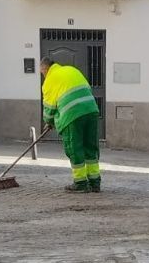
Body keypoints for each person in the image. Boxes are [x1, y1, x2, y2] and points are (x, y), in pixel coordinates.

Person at [39, 54, 102, 193]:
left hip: (72, 116)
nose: (43, 75)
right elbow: (87, 88)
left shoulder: (50, 80)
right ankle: (95, 182)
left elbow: (49, 108)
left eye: (42, 73)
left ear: (45, 69)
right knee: (90, 147)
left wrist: (48, 122)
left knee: (75, 148)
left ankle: (80, 183)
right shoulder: (72, 70)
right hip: (91, 110)